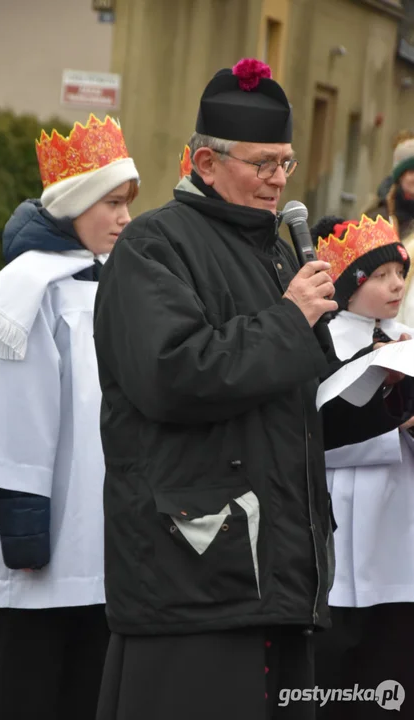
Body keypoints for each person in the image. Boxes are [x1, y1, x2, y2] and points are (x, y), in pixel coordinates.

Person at [93, 58, 414, 720]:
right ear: (204, 163)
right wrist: (289, 317)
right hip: (195, 562)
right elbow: (169, 376)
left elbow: (306, 399)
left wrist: (389, 395)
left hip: (279, 565)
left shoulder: (280, 251)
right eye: (261, 163)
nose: (277, 180)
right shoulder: (154, 247)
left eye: (286, 164)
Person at [0, 114, 139, 720]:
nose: (125, 217)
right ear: (74, 205)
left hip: (98, 533)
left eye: (129, 202)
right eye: (111, 202)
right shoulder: (28, 290)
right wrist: (25, 526)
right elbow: (15, 422)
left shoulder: (105, 283)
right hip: (43, 538)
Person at [313, 214, 414, 719]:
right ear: (351, 284)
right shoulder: (320, 343)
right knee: (332, 665)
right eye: (380, 276)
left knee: (390, 664)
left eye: (401, 272)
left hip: (397, 526)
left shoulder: (408, 341)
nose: (397, 284)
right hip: (334, 523)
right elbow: (313, 433)